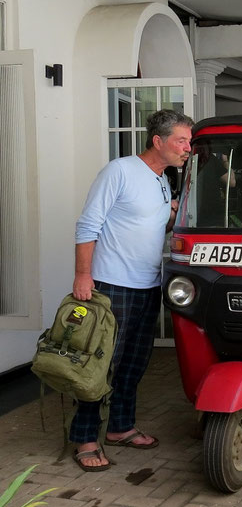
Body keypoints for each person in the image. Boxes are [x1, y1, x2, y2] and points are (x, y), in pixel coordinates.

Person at [71, 109, 194, 471]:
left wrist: (174, 213)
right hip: (111, 284)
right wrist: (83, 275)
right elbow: (88, 224)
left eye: (189, 141)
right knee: (99, 366)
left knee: (134, 363)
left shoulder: (162, 179)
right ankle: (85, 437)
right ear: (158, 141)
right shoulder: (120, 170)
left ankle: (120, 427)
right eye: (181, 141)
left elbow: (149, 225)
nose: (188, 148)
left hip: (147, 284)